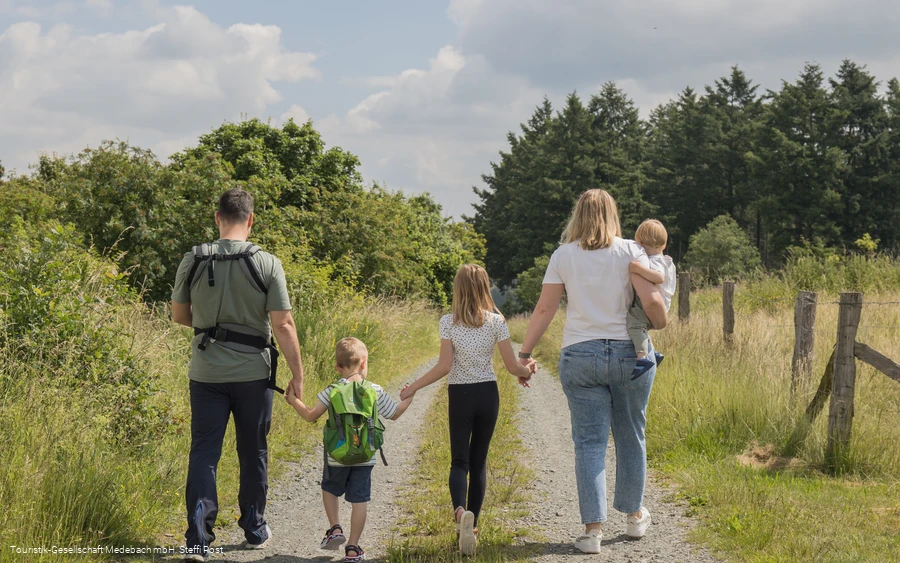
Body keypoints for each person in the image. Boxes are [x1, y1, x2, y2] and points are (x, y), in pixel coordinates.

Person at [517, 189, 668, 554]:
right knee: (631, 433)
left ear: (577, 216)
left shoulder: (563, 255)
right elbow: (650, 300)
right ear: (613, 215)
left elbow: (543, 310)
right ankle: (634, 519)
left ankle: (592, 532)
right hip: (629, 355)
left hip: (579, 355)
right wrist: (660, 321)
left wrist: (524, 353)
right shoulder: (631, 250)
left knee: (589, 443)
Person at [171, 188, 306, 562]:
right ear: (251, 220)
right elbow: (283, 324)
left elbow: (179, 315)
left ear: (217, 218)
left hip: (206, 372)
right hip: (253, 375)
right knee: (253, 451)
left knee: (204, 453)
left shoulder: (193, 258)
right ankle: (254, 528)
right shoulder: (268, 263)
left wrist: (213, 327)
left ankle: (198, 539)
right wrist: (297, 373)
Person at [399, 264, 536, 556]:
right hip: (488, 394)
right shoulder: (497, 321)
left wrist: (413, 387)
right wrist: (528, 368)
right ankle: (472, 529)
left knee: (459, 462)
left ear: (458, 289)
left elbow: (444, 366)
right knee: (479, 462)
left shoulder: (448, 322)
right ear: (485, 287)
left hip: (460, 394)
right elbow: (513, 367)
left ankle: (461, 513)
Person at [284, 337, 413, 563]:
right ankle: (353, 549)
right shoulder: (374, 390)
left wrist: (293, 400)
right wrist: (409, 397)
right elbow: (394, 413)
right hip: (365, 456)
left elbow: (310, 415)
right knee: (359, 500)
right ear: (364, 363)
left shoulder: (332, 390)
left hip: (337, 456)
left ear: (337, 367)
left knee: (330, 488)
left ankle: (335, 528)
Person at [626, 219, 677, 379]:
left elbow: (658, 277)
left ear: (639, 242)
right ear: (664, 244)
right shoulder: (666, 260)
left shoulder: (655, 261)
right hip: (662, 302)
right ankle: (652, 352)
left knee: (634, 325)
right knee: (641, 327)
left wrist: (638, 268)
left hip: (655, 301)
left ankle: (643, 358)